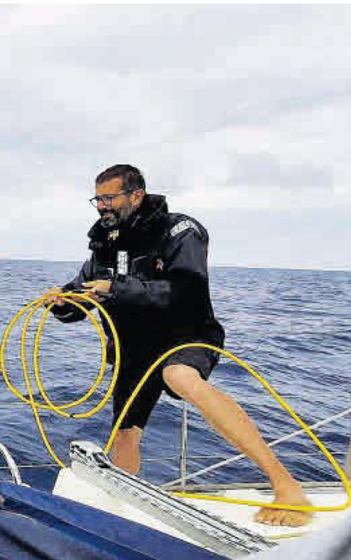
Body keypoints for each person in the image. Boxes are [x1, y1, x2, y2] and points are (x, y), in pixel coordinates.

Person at [42, 164, 311, 527]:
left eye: (109, 198)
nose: (102, 206)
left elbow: (187, 291)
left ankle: (287, 487)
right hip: (133, 348)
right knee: (125, 430)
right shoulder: (104, 245)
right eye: (98, 199)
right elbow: (85, 294)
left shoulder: (181, 230)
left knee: (180, 376)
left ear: (136, 196)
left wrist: (116, 289)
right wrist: (62, 303)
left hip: (187, 334)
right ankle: (120, 510)